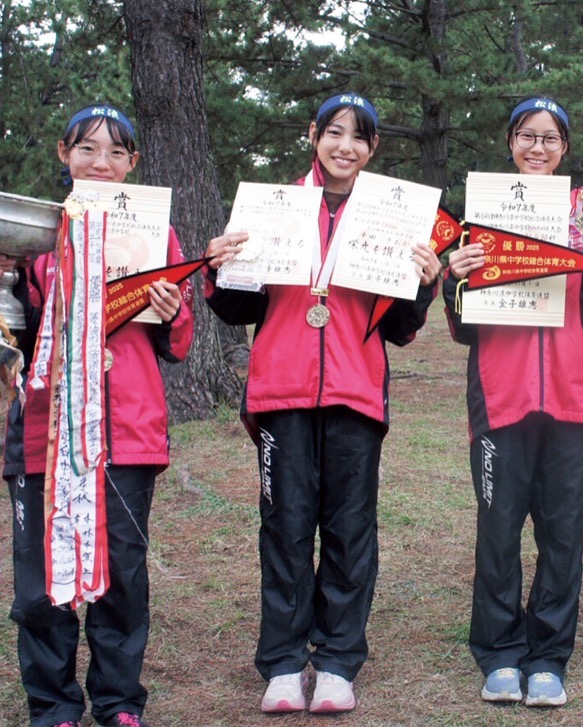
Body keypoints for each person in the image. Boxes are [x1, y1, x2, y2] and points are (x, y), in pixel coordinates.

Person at [203, 92, 441, 715]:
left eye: (358, 137)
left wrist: (423, 282)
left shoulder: (391, 219)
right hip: (282, 391)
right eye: (334, 132)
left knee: (349, 528)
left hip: (355, 391)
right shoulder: (274, 207)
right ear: (314, 135)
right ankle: (283, 663)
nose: (345, 147)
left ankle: (337, 660)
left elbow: (400, 328)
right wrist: (220, 265)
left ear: (372, 149)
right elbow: (236, 307)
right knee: (284, 525)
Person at [0, 104, 193, 727]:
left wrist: (171, 305)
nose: (101, 163)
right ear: (63, 154)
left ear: (132, 164)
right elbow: (1, 341)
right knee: (40, 581)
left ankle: (119, 701)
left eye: (115, 153)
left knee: (122, 572)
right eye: (87, 150)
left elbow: (176, 343)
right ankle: (52, 705)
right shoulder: (31, 241)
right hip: (46, 433)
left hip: (126, 430)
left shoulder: (158, 233)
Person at [441, 96, 583, 707]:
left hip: (568, 397)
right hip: (501, 394)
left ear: (564, 148)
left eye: (549, 138)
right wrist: (453, 277)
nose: (537, 148)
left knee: (563, 533)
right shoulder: (478, 218)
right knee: (498, 528)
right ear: (510, 143)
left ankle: (548, 656)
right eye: (526, 136)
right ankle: (499, 653)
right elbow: (464, 326)